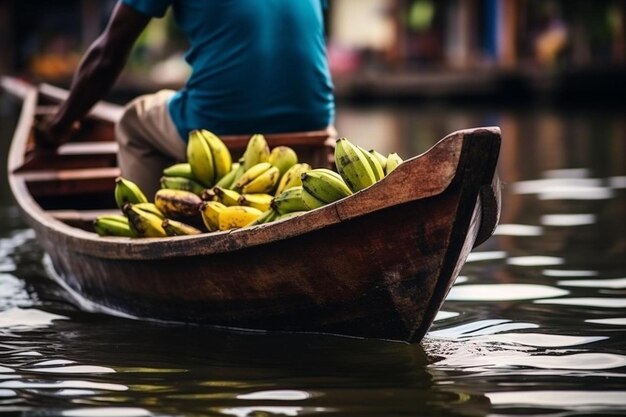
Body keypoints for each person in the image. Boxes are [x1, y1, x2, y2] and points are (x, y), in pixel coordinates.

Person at [40, 0, 335, 196]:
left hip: (220, 128)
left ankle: (149, 230)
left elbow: (106, 58)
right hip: (316, 132)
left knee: (133, 123)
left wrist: (59, 126)